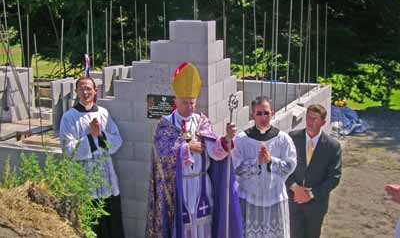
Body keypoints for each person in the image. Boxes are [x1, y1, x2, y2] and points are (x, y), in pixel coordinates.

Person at [146, 62, 243, 238]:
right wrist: (186, 147)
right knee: (184, 227)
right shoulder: (165, 124)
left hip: (201, 184)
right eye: (185, 102)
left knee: (204, 224)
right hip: (179, 187)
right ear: (175, 101)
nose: (189, 107)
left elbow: (215, 152)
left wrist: (227, 139)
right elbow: (161, 155)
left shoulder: (202, 122)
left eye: (192, 102)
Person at [60, 76, 125, 238]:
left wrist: (100, 135)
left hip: (106, 176)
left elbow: (117, 141)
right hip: (84, 176)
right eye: (81, 88)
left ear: (96, 90)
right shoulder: (68, 117)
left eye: (88, 88)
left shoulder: (103, 113)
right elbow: (68, 150)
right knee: (90, 223)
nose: (85, 92)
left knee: (110, 221)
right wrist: (91, 137)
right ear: (76, 92)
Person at [232, 96, 297, 238]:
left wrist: (271, 160)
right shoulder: (242, 139)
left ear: (272, 113)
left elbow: (290, 166)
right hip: (250, 199)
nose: (263, 117)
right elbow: (236, 169)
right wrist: (257, 163)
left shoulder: (283, 139)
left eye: (266, 113)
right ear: (252, 115)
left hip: (275, 197)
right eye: (259, 113)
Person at [287, 104, 342, 238]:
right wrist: (295, 188)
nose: (310, 122)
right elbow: (284, 168)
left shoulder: (332, 146)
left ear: (323, 122)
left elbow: (334, 177)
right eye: (308, 118)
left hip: (316, 205)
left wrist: (310, 194)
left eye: (314, 119)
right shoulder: (292, 138)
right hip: (293, 201)